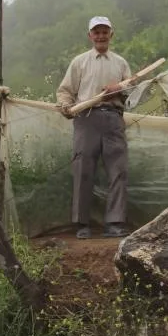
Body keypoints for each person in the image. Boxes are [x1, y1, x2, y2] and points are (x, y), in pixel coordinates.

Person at [56, 16, 132, 239]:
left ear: (111, 34)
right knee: (83, 170)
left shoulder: (120, 63)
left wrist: (117, 89)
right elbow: (65, 91)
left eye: (104, 32)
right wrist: (66, 106)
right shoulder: (79, 62)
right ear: (90, 36)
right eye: (96, 32)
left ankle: (115, 223)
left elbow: (133, 93)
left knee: (118, 170)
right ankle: (82, 224)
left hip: (113, 119)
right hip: (86, 118)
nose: (100, 36)